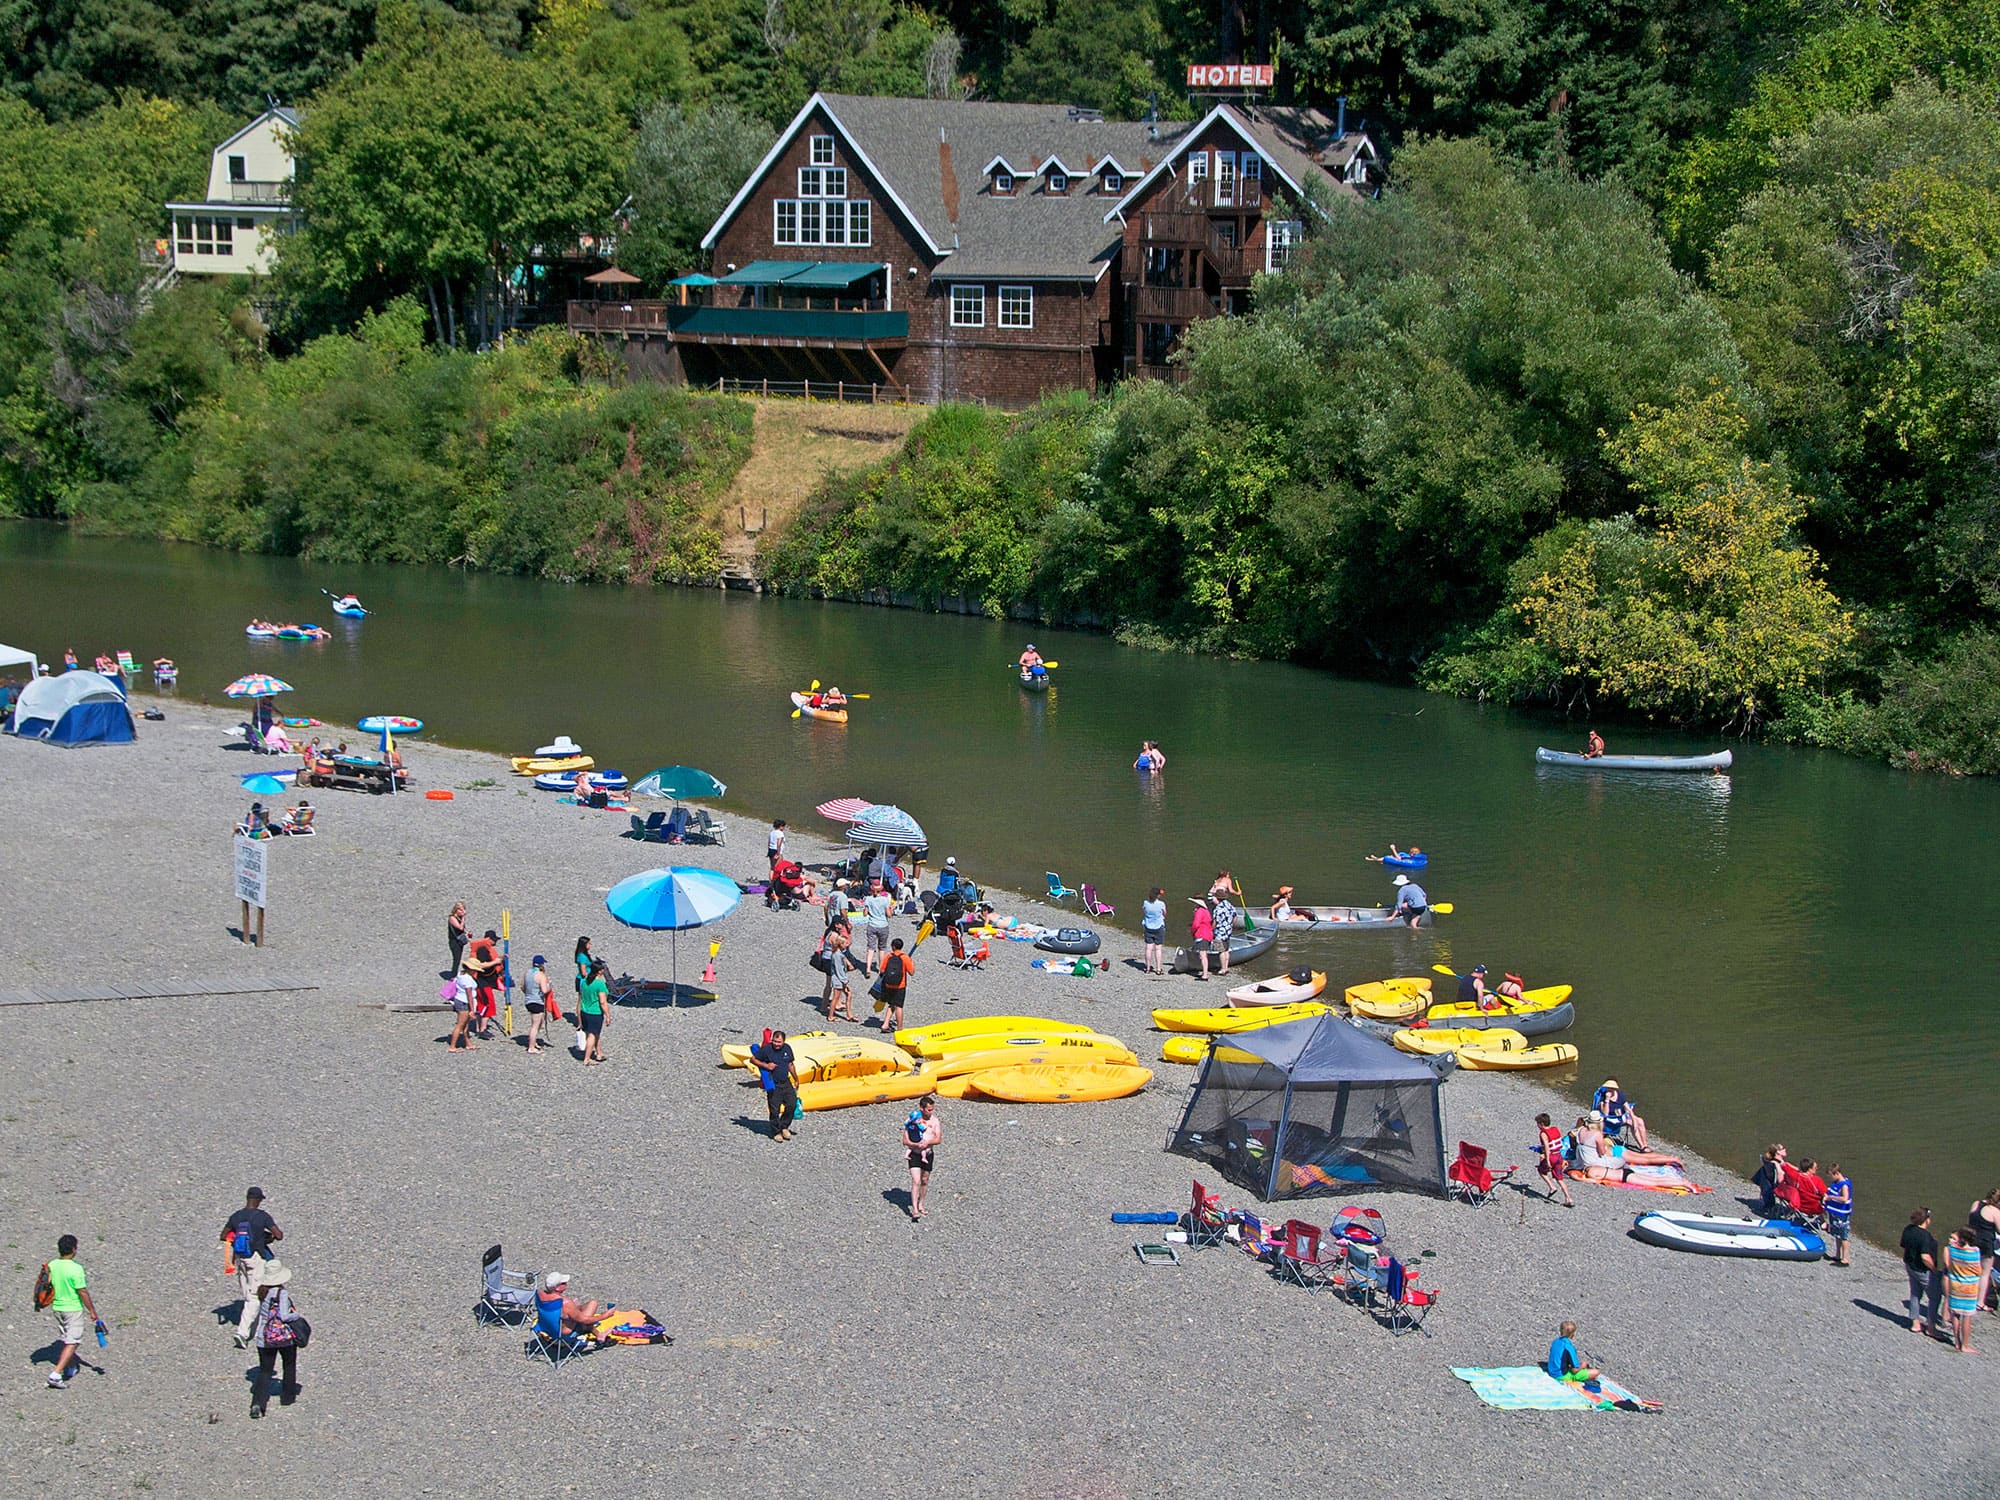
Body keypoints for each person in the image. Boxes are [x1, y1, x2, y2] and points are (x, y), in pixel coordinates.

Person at [221, 1186, 284, 1348]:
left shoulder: (236, 1216)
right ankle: (242, 1333)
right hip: (256, 1259)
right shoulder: (262, 1216)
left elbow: (223, 1236)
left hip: (241, 1259)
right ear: (258, 1200)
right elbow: (279, 1235)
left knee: (248, 1294)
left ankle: (255, 1331)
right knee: (254, 1297)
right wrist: (265, 1238)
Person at [42, 1234, 101, 1389]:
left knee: (66, 1338)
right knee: (73, 1341)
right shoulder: (76, 1268)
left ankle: (71, 1367)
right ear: (74, 1249)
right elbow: (82, 1292)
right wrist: (92, 1311)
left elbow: (47, 1284)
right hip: (72, 1309)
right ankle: (56, 1374)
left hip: (57, 1308)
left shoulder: (52, 1265)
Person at [247, 1259, 301, 1418]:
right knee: (289, 1365)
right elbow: (284, 1316)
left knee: (265, 1371)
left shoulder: (262, 1292)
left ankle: (257, 1403)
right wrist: (296, 1315)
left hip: (264, 1337)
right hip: (284, 1337)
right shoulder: (281, 1293)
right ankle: (287, 1397)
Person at [1573, 1113, 1681, 1181]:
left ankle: (1672, 1159)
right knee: (1644, 1158)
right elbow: (1601, 1151)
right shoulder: (1596, 1134)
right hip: (1614, 1150)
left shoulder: (1582, 1131)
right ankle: (1671, 1158)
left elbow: (1601, 1153)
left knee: (1644, 1159)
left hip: (1615, 1152)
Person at [1903, 1208, 1944, 1336]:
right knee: (1935, 1296)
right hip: (1923, 1270)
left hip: (1910, 1266)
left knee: (1915, 1294)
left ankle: (1915, 1323)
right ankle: (1931, 1327)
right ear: (1926, 1220)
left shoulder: (1908, 1229)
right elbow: (1925, 1257)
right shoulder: (1925, 1236)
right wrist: (1934, 1270)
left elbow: (1904, 1245)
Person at [754, 1030, 799, 1141]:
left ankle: (784, 1126)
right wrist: (766, 1065)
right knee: (774, 1110)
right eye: (774, 1041)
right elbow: (753, 1059)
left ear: (784, 1041)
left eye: (779, 1042)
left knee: (792, 1105)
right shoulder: (767, 1049)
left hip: (786, 1082)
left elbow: (790, 1064)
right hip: (773, 1083)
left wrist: (796, 1079)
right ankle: (776, 1131)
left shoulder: (787, 1048)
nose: (776, 1044)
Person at [1945, 1228, 1982, 1353]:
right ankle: (1965, 1345)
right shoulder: (1975, 1252)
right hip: (1969, 1288)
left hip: (1955, 1285)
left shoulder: (1952, 1250)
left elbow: (1949, 1264)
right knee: (1967, 1316)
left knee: (1955, 1314)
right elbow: (1978, 1271)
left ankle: (1957, 1341)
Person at [905, 1095, 941, 1220]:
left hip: (928, 1153)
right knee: (916, 1181)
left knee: (925, 1180)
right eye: (929, 1109)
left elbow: (938, 1139)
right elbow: (905, 1140)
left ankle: (921, 1204)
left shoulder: (935, 1121)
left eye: (932, 1109)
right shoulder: (913, 1120)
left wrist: (928, 1143)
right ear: (921, 1108)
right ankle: (914, 1209)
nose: (931, 1112)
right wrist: (915, 1144)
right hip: (915, 1154)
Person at [539, 1272, 609, 1337]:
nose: (566, 1283)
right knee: (593, 1304)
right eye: (563, 1283)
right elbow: (585, 1320)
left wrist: (573, 1307)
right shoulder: (566, 1303)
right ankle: (600, 1335)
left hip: (545, 1327)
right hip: (562, 1333)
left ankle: (599, 1335)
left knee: (581, 1308)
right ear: (557, 1288)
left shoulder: (540, 1295)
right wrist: (604, 1316)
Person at [1593, 1080, 1649, 1149]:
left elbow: (1628, 1108)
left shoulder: (1619, 1095)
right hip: (1609, 1120)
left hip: (1620, 1116)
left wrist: (1634, 1119)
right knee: (1631, 1123)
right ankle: (1642, 1146)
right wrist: (1607, 1099)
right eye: (1609, 1088)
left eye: (1612, 1088)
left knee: (1639, 1121)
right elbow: (1605, 1113)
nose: (1610, 1089)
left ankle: (1645, 1145)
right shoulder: (1602, 1097)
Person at [1967, 1193, 2000, 1310]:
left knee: (1971, 1269)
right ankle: (1980, 1302)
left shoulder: (1976, 1204)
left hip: (1971, 1240)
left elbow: (1970, 1220)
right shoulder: (1993, 1211)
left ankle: (1968, 1295)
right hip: (1986, 1244)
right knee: (1984, 1273)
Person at [467, 929, 502, 1038]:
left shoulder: (483, 949)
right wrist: (496, 962)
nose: (496, 942)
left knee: (481, 1005)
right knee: (488, 1005)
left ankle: (479, 1028)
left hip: (482, 982)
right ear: (489, 939)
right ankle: (482, 1030)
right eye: (494, 940)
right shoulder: (482, 950)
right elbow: (481, 965)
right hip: (482, 983)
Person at [1534, 1113, 1574, 1206]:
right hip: (1559, 1155)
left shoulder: (1544, 1133)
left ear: (1542, 1124)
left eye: (1538, 1124)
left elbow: (1547, 1147)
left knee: (1541, 1170)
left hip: (1551, 1156)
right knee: (1560, 1178)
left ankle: (1552, 1187)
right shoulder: (1555, 1129)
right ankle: (1569, 1198)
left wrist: (1547, 1160)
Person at [523, 955, 559, 1054]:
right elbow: (544, 990)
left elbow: (523, 986)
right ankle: (531, 1047)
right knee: (535, 1025)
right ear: (541, 965)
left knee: (540, 1021)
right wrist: (549, 986)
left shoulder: (528, 973)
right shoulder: (540, 975)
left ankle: (533, 1042)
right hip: (537, 1001)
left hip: (528, 1000)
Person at [578, 958, 610, 1065]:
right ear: (599, 971)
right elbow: (602, 1002)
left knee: (594, 1034)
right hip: (594, 1012)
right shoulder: (599, 984)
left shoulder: (585, 981)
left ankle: (599, 1053)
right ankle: (587, 1058)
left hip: (584, 1011)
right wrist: (608, 1015)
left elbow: (581, 997)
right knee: (592, 1035)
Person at [824, 928, 857, 1023]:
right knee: (836, 997)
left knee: (848, 995)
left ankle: (849, 1015)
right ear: (840, 944)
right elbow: (839, 970)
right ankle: (831, 1016)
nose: (847, 945)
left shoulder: (838, 953)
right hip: (839, 980)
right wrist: (845, 982)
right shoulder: (837, 955)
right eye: (845, 943)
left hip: (839, 979)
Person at [877, 939, 911, 1032]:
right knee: (899, 1006)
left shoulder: (889, 956)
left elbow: (882, 970)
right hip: (900, 985)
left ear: (893, 946)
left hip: (888, 985)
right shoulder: (905, 957)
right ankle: (900, 1028)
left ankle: (885, 1024)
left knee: (891, 1004)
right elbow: (911, 972)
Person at [1824, 1166, 1853, 1265]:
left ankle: (1845, 1258)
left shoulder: (1844, 1185)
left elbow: (1845, 1198)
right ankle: (1838, 1255)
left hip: (1842, 1214)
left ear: (1836, 1173)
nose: (1830, 1178)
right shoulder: (1836, 1183)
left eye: (1831, 1176)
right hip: (1835, 1213)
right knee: (1837, 1235)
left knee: (1843, 1236)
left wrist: (1831, 1197)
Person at [861, 880, 892, 972]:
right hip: (883, 925)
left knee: (871, 947)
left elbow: (865, 914)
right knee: (881, 948)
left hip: (872, 925)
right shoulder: (885, 900)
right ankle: (881, 969)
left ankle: (868, 968)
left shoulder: (868, 899)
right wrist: (891, 910)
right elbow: (889, 914)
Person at [446, 964, 478, 1052]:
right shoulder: (467, 980)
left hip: (460, 1000)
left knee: (465, 1024)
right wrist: (472, 1010)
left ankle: (468, 1044)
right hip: (464, 1002)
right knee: (460, 1025)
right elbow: (469, 996)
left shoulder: (461, 974)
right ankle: (452, 1046)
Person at [1753, 1144, 1787, 1214]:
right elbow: (1781, 1180)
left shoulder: (1774, 1162)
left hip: (1769, 1186)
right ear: (1778, 1152)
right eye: (1783, 1148)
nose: (1785, 1149)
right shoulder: (1777, 1165)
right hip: (1781, 1187)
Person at [1188, 898, 1216, 980]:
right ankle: (1205, 972)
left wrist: (1192, 931)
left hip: (1202, 934)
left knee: (1202, 955)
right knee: (1204, 954)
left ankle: (1205, 975)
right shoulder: (1206, 911)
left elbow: (1196, 924)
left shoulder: (1200, 911)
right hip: (1208, 934)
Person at [1142, 888, 1167, 976]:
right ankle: (1158, 969)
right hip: (1159, 927)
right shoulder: (1161, 904)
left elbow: (1144, 912)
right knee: (1158, 949)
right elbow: (1164, 914)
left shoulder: (1146, 903)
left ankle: (1148, 968)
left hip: (1148, 927)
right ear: (1158, 895)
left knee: (1148, 948)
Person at [1212, 892, 1238, 976]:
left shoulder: (1218, 908)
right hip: (1228, 931)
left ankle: (1223, 969)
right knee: (1226, 950)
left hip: (1219, 932)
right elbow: (1235, 916)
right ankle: (1226, 967)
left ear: (1217, 898)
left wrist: (1211, 930)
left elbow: (1215, 921)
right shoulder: (1229, 905)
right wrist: (1231, 926)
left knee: (1220, 951)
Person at [446, 902, 469, 979]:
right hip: (454, 941)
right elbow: (460, 928)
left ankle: (455, 974)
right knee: (456, 958)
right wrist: (463, 918)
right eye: (461, 910)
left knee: (458, 958)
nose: (463, 912)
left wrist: (467, 932)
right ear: (456, 910)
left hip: (459, 940)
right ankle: (453, 976)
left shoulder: (458, 918)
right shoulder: (452, 918)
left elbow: (462, 930)